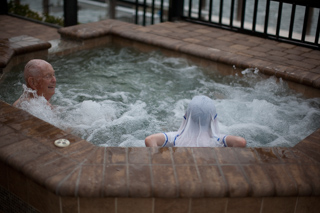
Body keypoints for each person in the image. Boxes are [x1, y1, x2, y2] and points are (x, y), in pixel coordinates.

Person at [145, 95, 246, 147]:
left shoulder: (176, 138)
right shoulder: (217, 140)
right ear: (213, 119)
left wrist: (156, 159)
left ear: (187, 116)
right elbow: (241, 142)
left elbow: (149, 140)